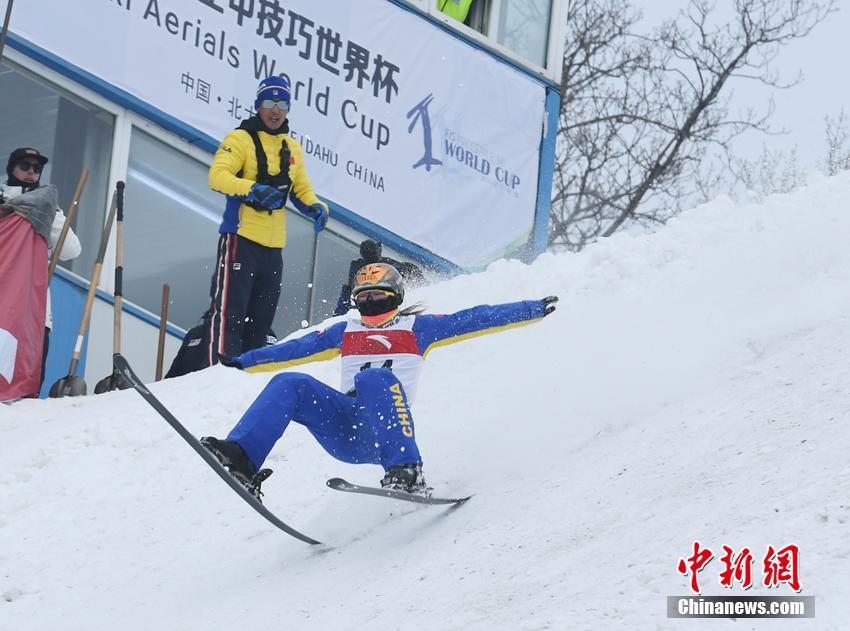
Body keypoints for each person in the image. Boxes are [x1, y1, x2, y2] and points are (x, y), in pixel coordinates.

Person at [200, 262, 558, 500]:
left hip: (384, 429)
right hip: (343, 427)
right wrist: (246, 361)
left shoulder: (419, 328)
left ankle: (407, 469)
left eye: (378, 297)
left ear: (396, 298)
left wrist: (531, 308)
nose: (371, 303)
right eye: (364, 298)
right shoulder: (345, 331)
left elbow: (475, 318)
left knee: (374, 378)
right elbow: (295, 349)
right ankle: (243, 458)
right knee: (291, 382)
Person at [205, 75, 329, 366]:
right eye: (270, 102)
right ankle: (216, 372)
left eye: (282, 103)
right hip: (241, 239)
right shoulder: (240, 139)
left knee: (261, 320)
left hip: (273, 249)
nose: (276, 110)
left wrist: (317, 207)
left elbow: (302, 190)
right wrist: (252, 189)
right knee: (229, 314)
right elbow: (217, 176)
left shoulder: (292, 147)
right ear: (258, 105)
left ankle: (245, 376)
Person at [0, 148, 81, 390]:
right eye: (25, 165)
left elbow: (71, 250)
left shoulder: (47, 207)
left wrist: (51, 216)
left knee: (23, 381)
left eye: (37, 168)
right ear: (12, 168)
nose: (31, 172)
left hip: (30, 307)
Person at [333, 239, 426, 315]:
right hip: (361, 305)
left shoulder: (385, 264)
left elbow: (408, 269)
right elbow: (349, 291)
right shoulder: (357, 266)